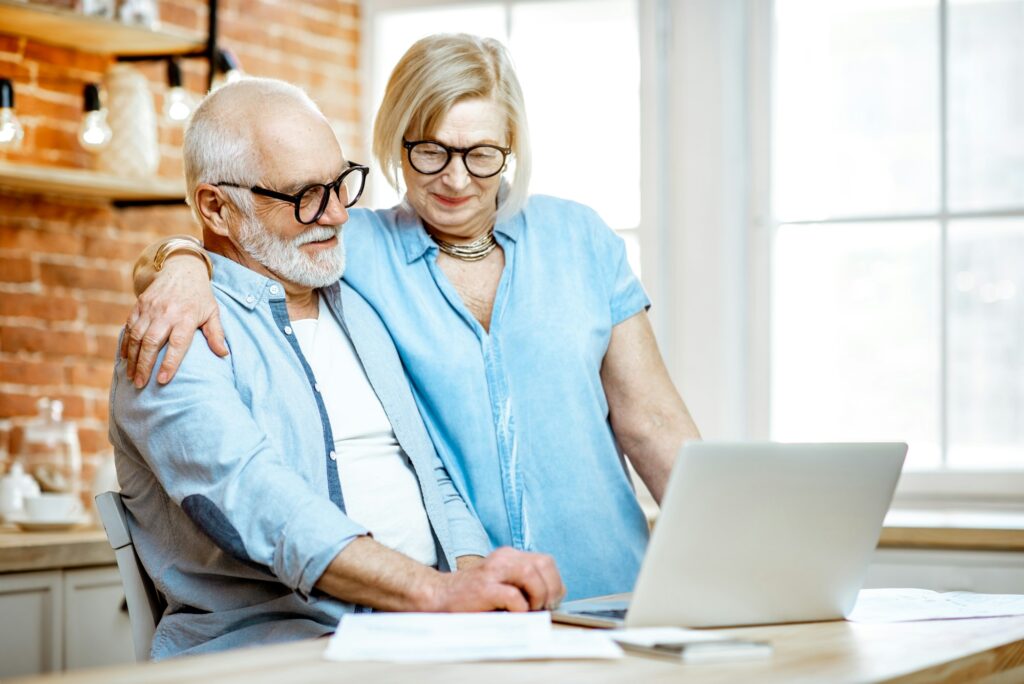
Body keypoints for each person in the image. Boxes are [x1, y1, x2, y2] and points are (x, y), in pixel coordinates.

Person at [123, 33, 700, 601]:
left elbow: (652, 422)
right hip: (472, 600)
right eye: (431, 151)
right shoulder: (357, 248)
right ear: (397, 142)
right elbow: (247, 250)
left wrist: (737, 560)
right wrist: (179, 262)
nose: (455, 179)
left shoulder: (580, 239)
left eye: (481, 155)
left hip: (606, 584)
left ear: (512, 148)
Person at [110, 77, 562, 660]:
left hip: (426, 631)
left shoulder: (359, 304)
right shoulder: (173, 333)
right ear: (217, 207)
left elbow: (431, 476)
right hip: (281, 647)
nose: (338, 214)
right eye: (304, 195)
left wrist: (479, 589)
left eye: (341, 183)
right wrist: (437, 591)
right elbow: (258, 502)